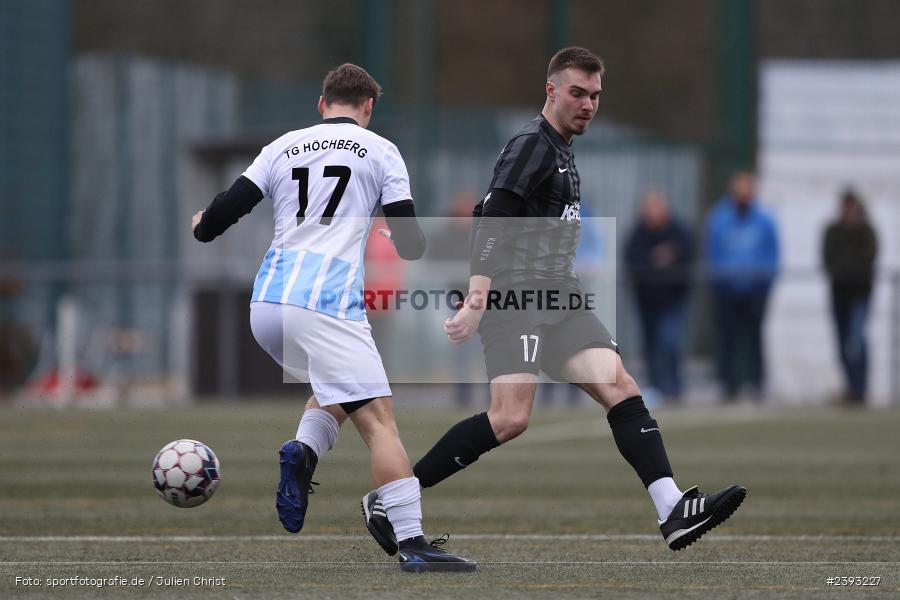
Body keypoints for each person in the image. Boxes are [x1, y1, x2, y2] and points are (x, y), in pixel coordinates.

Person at [362, 47, 746, 552]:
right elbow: (494, 215)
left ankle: (671, 508)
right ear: (552, 90)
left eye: (595, 96)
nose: (588, 104)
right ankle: (393, 498)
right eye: (577, 93)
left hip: (560, 297)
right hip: (517, 296)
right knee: (510, 418)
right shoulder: (532, 145)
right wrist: (478, 295)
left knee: (621, 386)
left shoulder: (563, 148)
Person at [191, 63, 474, 572]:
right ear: (369, 108)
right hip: (325, 305)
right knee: (380, 419)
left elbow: (223, 213)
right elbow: (410, 243)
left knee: (337, 386)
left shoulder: (283, 145)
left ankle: (302, 451)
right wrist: (400, 236)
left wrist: (202, 224)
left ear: (322, 105)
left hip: (267, 306)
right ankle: (412, 542)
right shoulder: (381, 150)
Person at [705, 171, 779, 401]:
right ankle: (728, 385)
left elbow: (772, 253)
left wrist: (765, 279)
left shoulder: (764, 219)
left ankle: (756, 384)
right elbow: (713, 251)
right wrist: (719, 278)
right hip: (727, 290)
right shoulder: (719, 217)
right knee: (727, 338)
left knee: (754, 338)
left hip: (755, 290)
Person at [624, 191, 693, 403]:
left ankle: (674, 388)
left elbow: (689, 253)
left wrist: (671, 256)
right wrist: (653, 258)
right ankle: (656, 388)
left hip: (672, 300)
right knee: (651, 345)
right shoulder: (638, 233)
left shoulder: (678, 231)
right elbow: (631, 258)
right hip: (646, 301)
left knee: (669, 342)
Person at [822, 188, 877, 404]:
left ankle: (861, 388)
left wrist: (848, 269)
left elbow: (869, 259)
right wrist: (844, 270)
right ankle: (851, 388)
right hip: (839, 293)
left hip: (861, 293)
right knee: (842, 342)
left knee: (857, 339)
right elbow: (828, 259)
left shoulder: (866, 231)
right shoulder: (833, 231)